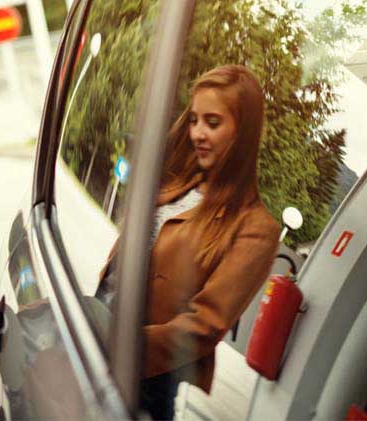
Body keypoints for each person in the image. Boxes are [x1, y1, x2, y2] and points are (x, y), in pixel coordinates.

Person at [97, 64, 280, 419]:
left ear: (243, 132)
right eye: (194, 119)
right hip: (96, 336)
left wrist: (119, 343)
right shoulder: (175, 182)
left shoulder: (255, 227)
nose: (197, 132)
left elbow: (204, 326)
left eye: (213, 123)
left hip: (143, 382)